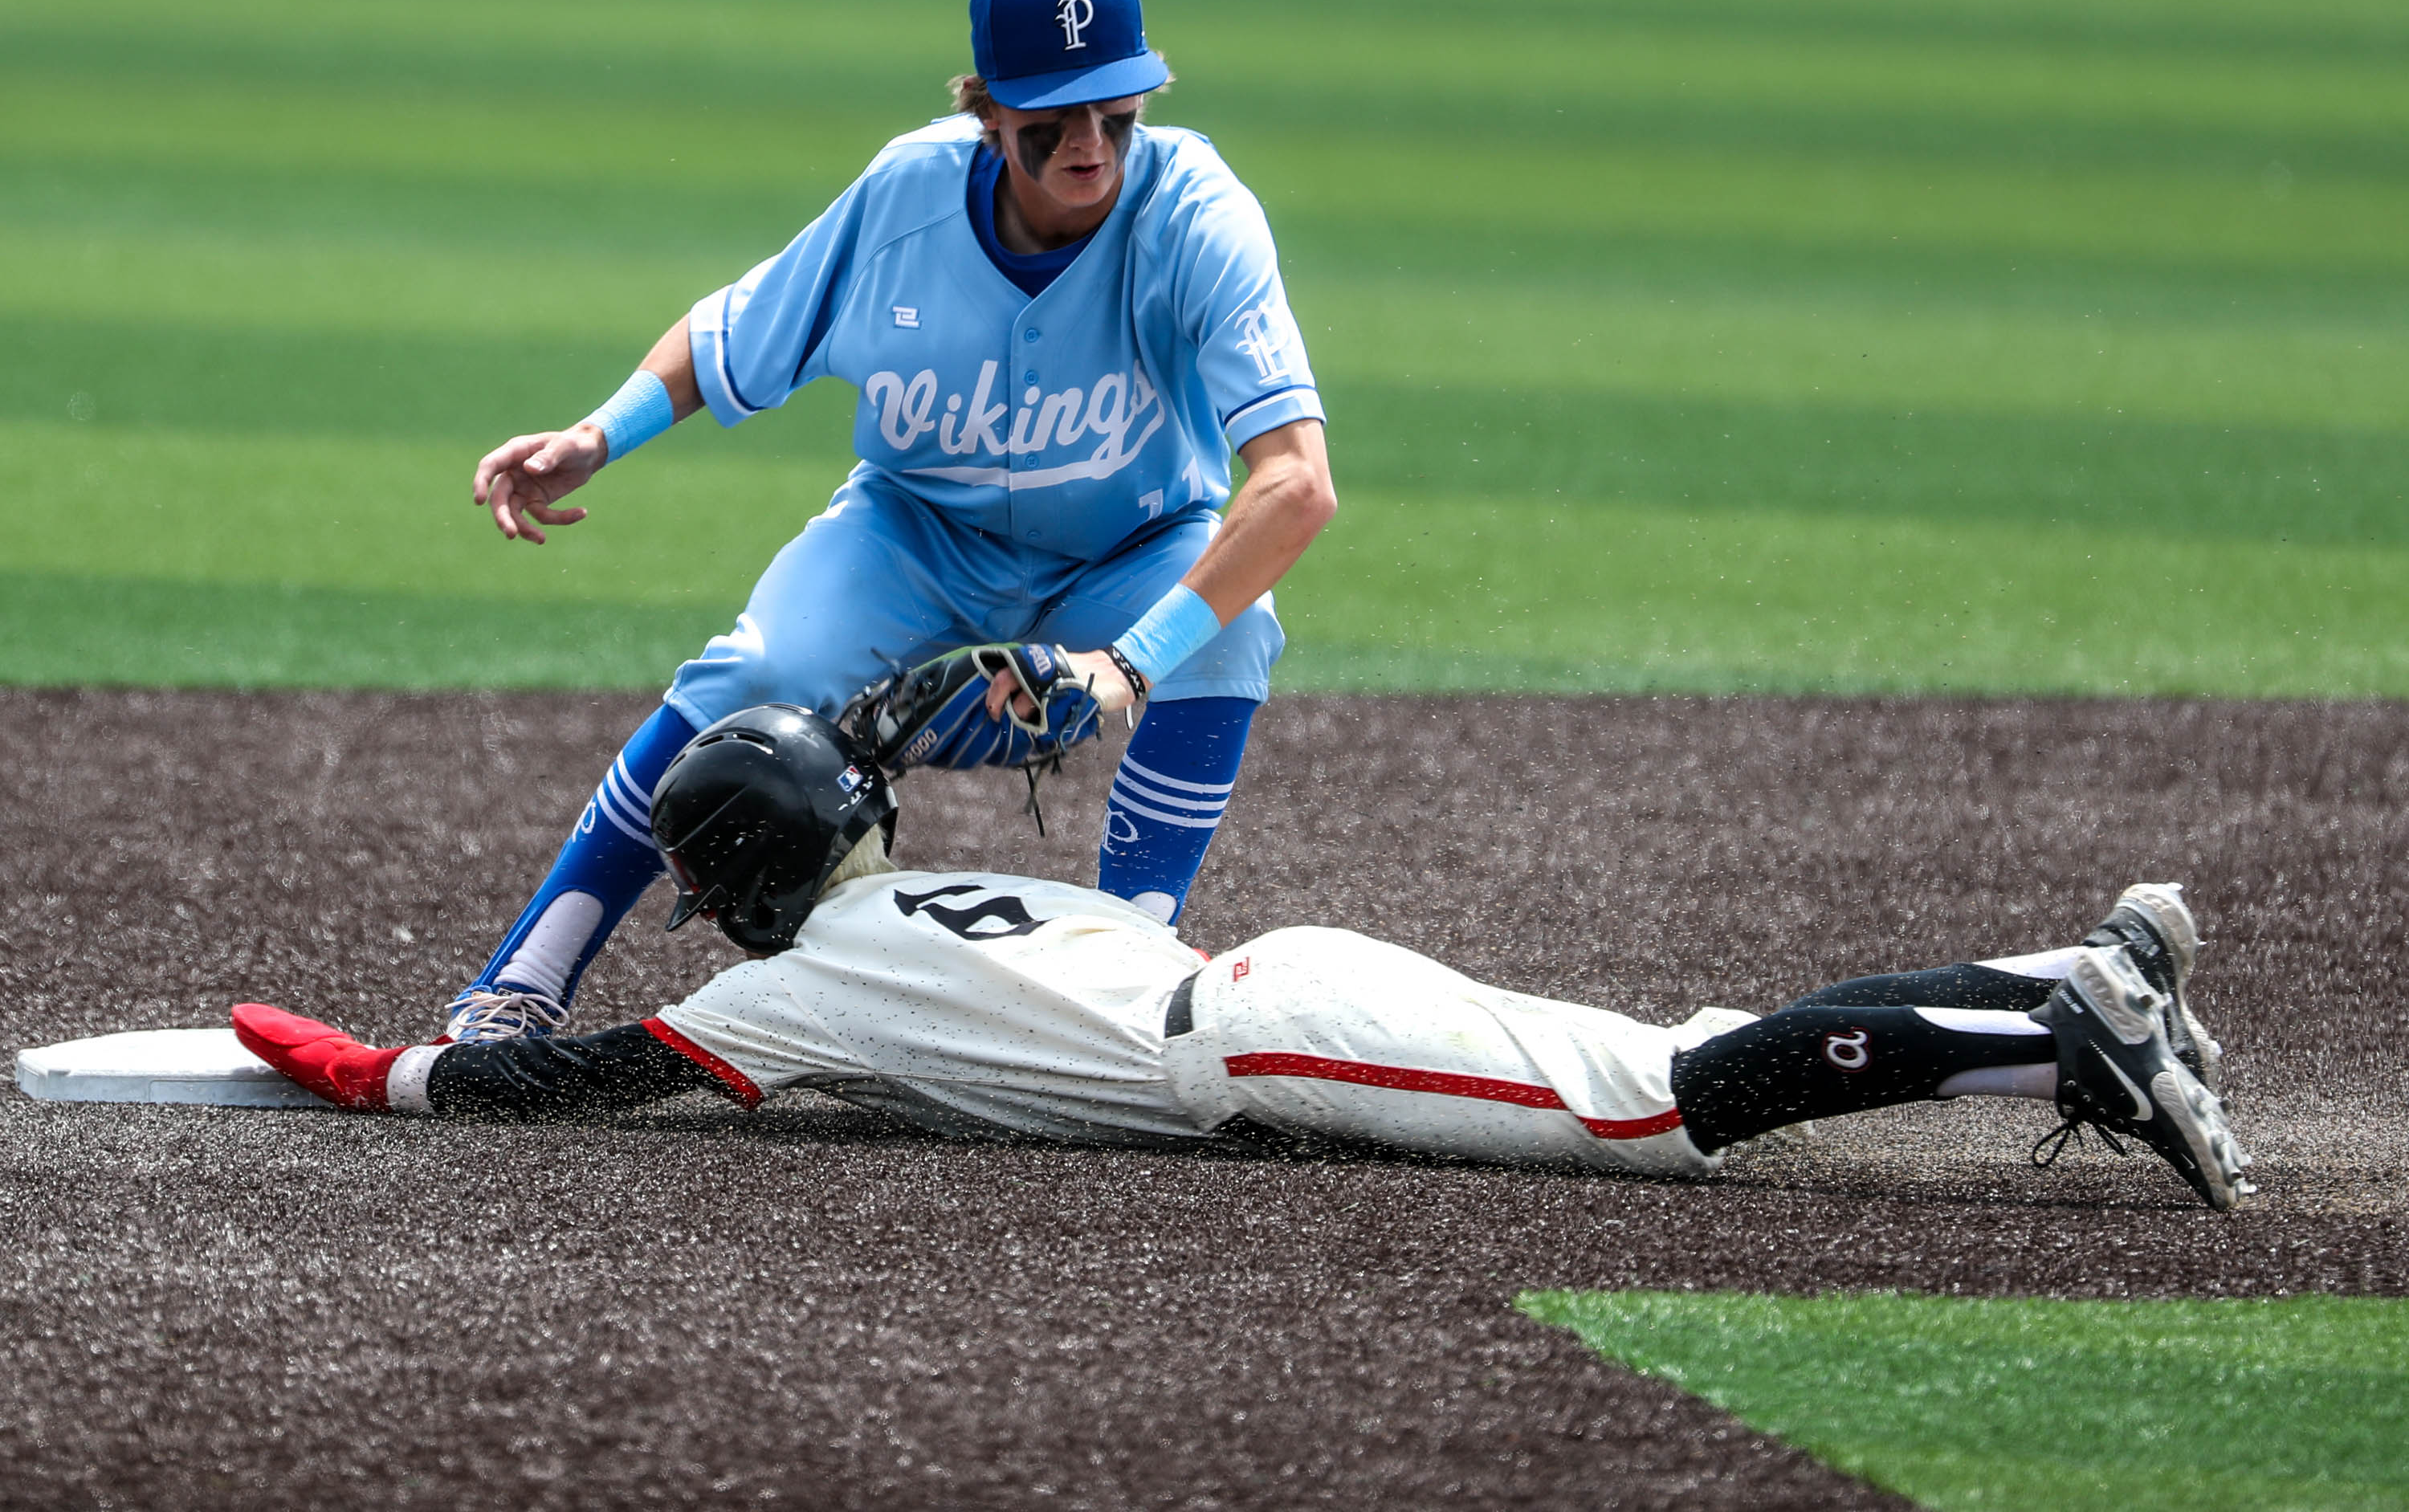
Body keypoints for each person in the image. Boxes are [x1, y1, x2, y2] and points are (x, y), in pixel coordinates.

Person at [236, 708, 2255, 1212]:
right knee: (1691, 1046)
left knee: (1660, 1106)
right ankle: (2058, 979)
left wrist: (358, 1063)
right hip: (1276, 986)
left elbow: (557, 1082)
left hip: (1277, 1042)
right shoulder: (915, 911)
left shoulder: (788, 991)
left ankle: (2073, 1028)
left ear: (745, 880)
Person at [445, 0, 1335, 1043]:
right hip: (914, 537)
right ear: (990, 111)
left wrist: (1126, 663)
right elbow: (741, 327)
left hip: (1129, 551)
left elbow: (1295, 485)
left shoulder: (1200, 213)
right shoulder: (907, 195)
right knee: (756, 672)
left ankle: (1131, 990)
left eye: (1115, 109)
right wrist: (595, 434)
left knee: (1231, 638)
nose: (1091, 143)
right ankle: (523, 980)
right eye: (1054, 118)